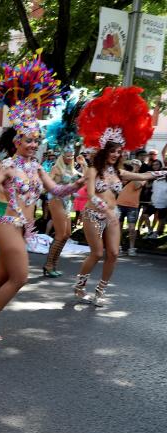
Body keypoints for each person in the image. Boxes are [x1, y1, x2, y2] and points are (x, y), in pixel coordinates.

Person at [0, 53, 83, 342]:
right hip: (6, 223)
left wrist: (79, 182)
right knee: (20, 277)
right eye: (28, 140)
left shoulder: (37, 168)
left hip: (24, 227)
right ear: (17, 141)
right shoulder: (8, 167)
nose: (33, 144)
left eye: (35, 140)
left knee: (2, 276)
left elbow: (56, 192)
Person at [71, 88, 165, 306]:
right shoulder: (94, 170)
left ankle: (100, 292)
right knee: (96, 253)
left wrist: (164, 172)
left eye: (119, 151)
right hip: (93, 215)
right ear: (105, 150)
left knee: (113, 254)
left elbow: (144, 174)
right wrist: (103, 208)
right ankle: (79, 286)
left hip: (112, 215)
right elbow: (92, 194)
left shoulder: (119, 173)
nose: (116, 154)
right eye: (113, 151)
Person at [42, 151, 85, 276]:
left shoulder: (73, 169)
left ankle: (54, 264)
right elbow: (46, 184)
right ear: (62, 156)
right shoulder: (56, 168)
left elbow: (87, 178)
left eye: (71, 156)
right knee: (60, 234)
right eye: (67, 155)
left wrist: (84, 164)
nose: (69, 157)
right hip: (56, 200)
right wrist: (57, 187)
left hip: (67, 202)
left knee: (67, 234)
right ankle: (48, 265)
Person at [117, 159, 144, 255]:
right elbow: (121, 183)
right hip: (120, 204)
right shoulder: (125, 175)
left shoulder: (142, 177)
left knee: (132, 228)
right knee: (118, 227)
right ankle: (118, 247)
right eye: (132, 164)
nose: (134, 166)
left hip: (132, 206)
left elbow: (137, 186)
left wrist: (134, 173)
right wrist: (131, 172)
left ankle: (131, 248)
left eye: (136, 165)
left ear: (139, 167)